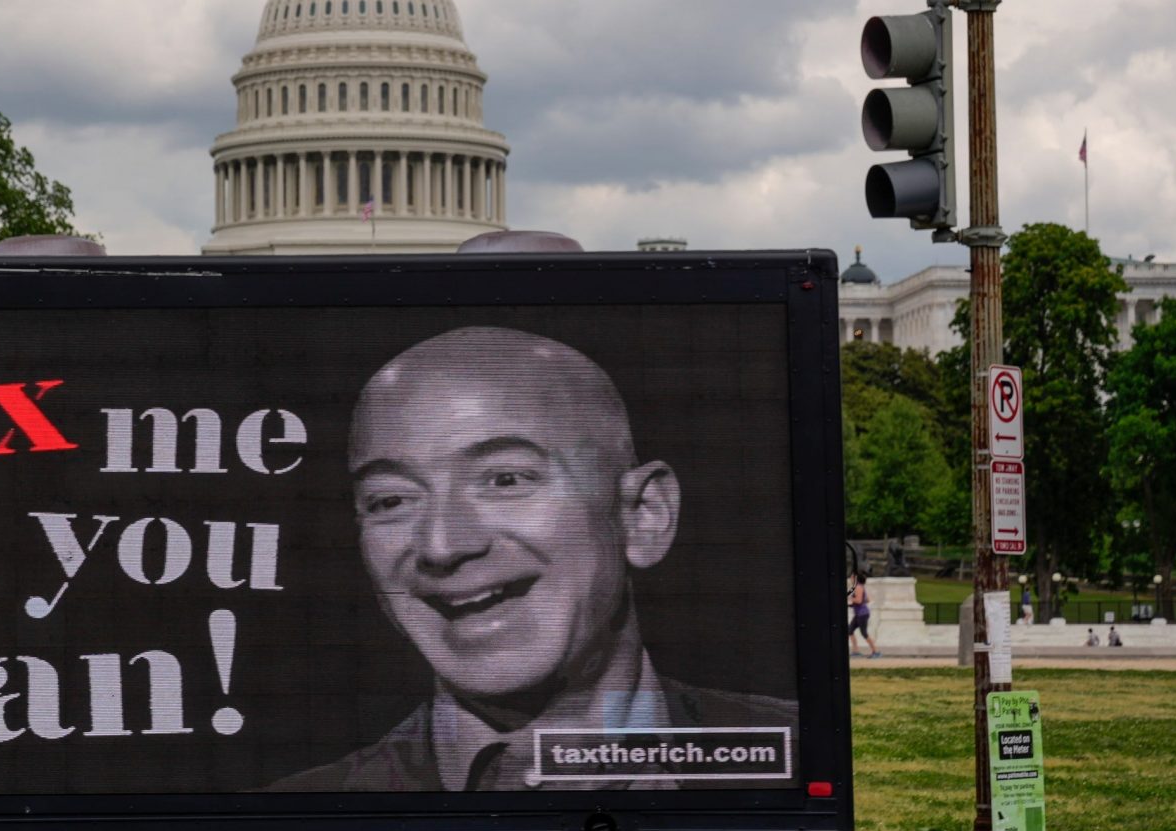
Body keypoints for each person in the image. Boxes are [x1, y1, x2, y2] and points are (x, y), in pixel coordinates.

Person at [269, 327, 794, 793]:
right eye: (391, 500)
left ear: (643, 514)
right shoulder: (312, 800)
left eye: (505, 480)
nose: (443, 546)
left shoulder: (792, 752)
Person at [848, 572, 877, 659]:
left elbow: (859, 600)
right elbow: (867, 600)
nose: (850, 578)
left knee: (864, 633)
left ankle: (875, 652)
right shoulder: (858, 587)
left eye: (852, 577)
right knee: (849, 631)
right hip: (859, 614)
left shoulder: (858, 587)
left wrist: (850, 598)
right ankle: (856, 651)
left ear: (855, 578)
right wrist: (851, 604)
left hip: (862, 614)